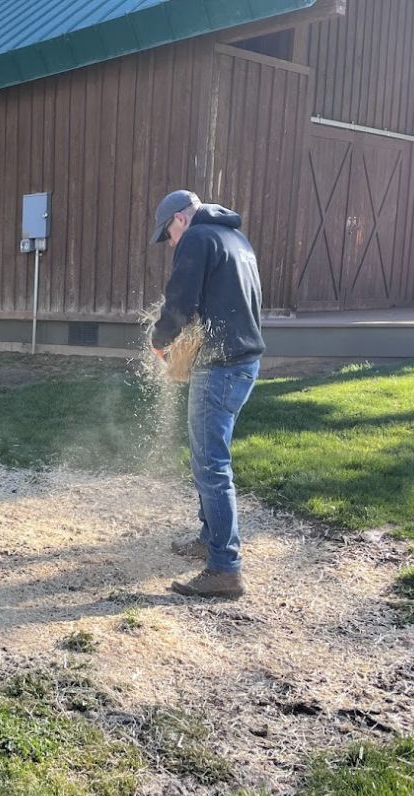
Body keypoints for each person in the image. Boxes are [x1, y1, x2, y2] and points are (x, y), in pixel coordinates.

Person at [149, 189, 265, 599]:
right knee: (209, 457)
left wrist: (161, 339)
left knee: (211, 465)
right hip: (245, 363)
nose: (170, 244)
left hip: (220, 366)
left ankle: (224, 568)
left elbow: (181, 297)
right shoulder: (235, 238)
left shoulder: (198, 238)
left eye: (168, 235)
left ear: (180, 219)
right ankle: (208, 538)